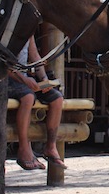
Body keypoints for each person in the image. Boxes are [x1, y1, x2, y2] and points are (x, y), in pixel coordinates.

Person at [9, 35, 66, 170]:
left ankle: (51, 146)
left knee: (57, 98)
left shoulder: (29, 31)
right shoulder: (9, 28)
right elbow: (4, 64)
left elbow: (35, 56)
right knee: (28, 97)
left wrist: (44, 79)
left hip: (26, 77)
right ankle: (24, 149)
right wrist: (25, 80)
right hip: (8, 77)